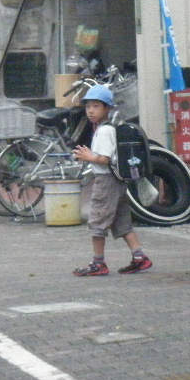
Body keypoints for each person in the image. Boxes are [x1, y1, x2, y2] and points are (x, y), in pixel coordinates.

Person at [70, 85, 152, 276]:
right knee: (122, 222)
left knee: (97, 221)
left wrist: (89, 157)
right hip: (116, 181)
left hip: (106, 181)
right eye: (88, 106)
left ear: (107, 109)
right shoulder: (103, 129)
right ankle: (139, 257)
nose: (90, 110)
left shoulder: (105, 131)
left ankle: (98, 263)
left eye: (96, 106)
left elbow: (104, 159)